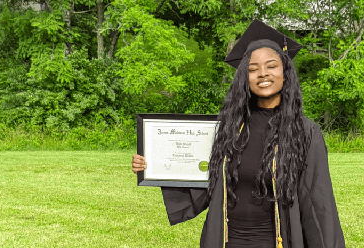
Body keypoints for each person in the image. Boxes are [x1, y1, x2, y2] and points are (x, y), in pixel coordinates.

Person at [132, 19, 345, 248]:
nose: (262, 74)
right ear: (245, 78)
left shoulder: (304, 132)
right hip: (226, 240)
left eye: (271, 66)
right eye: (253, 69)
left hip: (277, 242)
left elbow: (318, 203)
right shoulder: (230, 128)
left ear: (285, 74)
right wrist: (153, 163)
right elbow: (205, 179)